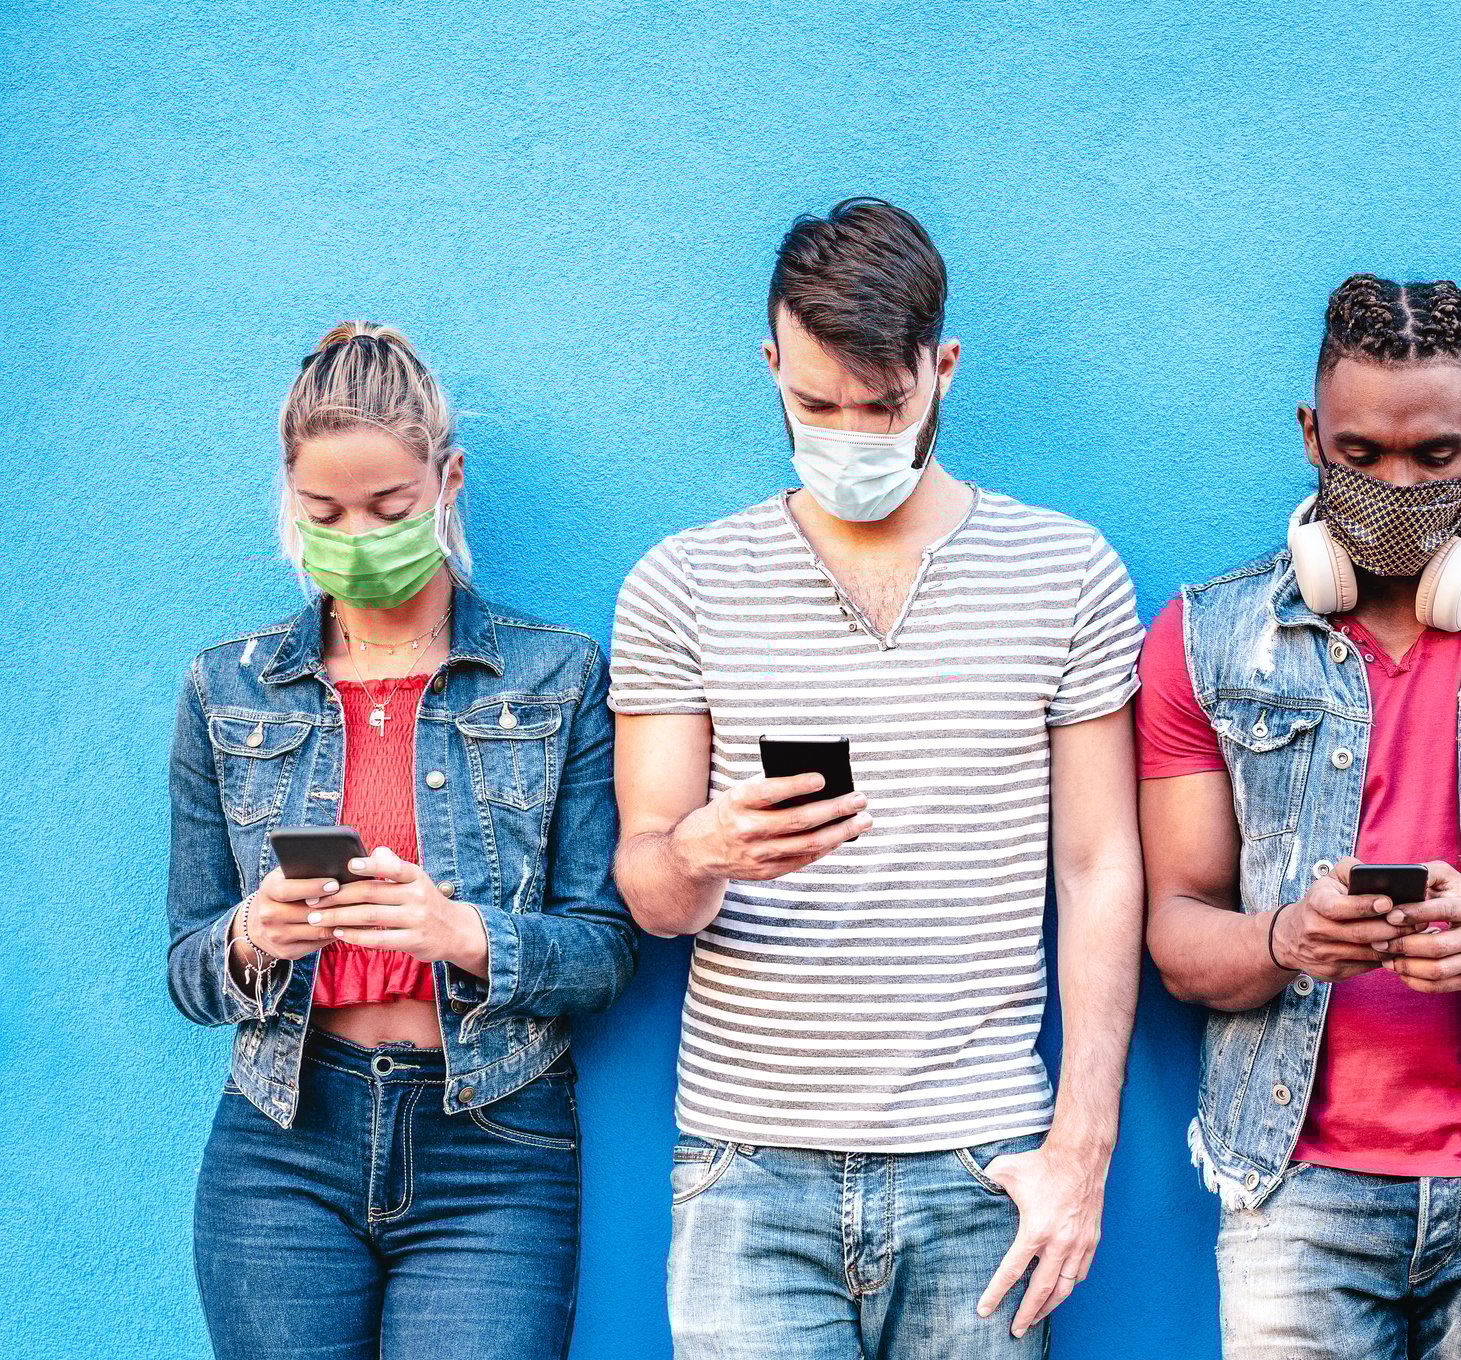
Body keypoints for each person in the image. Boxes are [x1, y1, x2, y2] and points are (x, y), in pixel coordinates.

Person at [609, 197, 1145, 1360]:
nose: (850, 432)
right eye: (813, 404)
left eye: (885, 405)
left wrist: (1081, 1149)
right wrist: (703, 849)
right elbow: (649, 889)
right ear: (769, 365)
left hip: (982, 1166)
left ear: (942, 369)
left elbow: (1101, 866)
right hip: (747, 1174)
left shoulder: (1067, 572)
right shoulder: (682, 582)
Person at [1139, 274, 1461, 1360]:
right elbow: (1179, 933)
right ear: (1308, 435)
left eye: (1436, 457)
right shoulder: (1204, 640)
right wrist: (1288, 938)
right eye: (1360, 454)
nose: (1396, 485)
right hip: (1295, 1188)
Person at [167, 323, 638, 1360]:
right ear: (290, 499)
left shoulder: (555, 676)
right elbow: (188, 968)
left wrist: (466, 934)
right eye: (325, 511)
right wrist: (250, 934)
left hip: (493, 1141)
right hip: (281, 1140)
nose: (357, 535)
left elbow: (607, 946)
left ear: (447, 480)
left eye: (388, 507)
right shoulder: (227, 691)